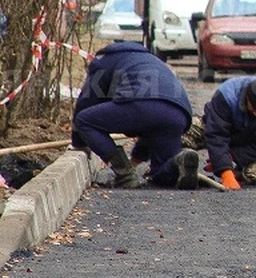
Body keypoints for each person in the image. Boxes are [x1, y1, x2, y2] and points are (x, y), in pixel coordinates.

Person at [71, 41, 199, 189]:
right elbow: (149, 125)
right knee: (161, 175)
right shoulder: (152, 60)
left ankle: (124, 176)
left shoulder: (103, 61)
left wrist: (79, 143)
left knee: (84, 120)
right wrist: (134, 161)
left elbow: (86, 102)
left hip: (141, 105)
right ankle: (180, 160)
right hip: (177, 113)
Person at [202, 76, 256, 190]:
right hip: (214, 127)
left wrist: (231, 156)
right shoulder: (227, 95)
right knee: (188, 133)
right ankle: (175, 163)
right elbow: (216, 133)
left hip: (248, 141)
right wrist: (225, 171)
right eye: (254, 108)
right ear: (247, 98)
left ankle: (237, 174)